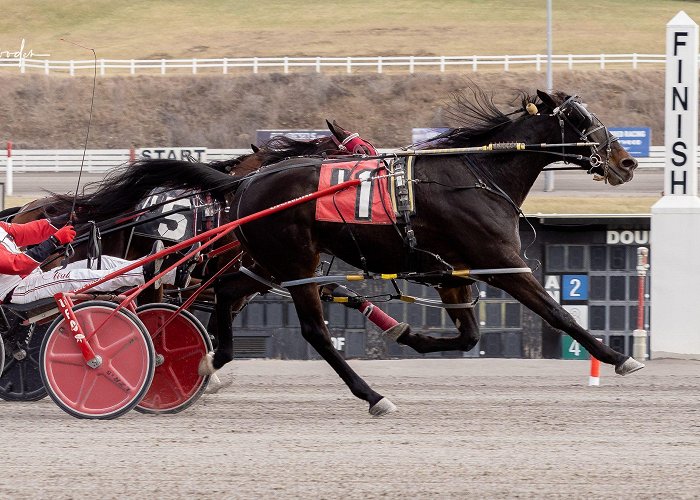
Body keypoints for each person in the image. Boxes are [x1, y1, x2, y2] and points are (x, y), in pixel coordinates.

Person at [0, 219, 183, 305]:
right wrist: (55, 240)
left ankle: (167, 270)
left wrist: (63, 221)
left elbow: (27, 231)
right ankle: (144, 273)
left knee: (101, 262)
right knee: (76, 277)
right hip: (17, 291)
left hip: (34, 278)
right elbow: (18, 264)